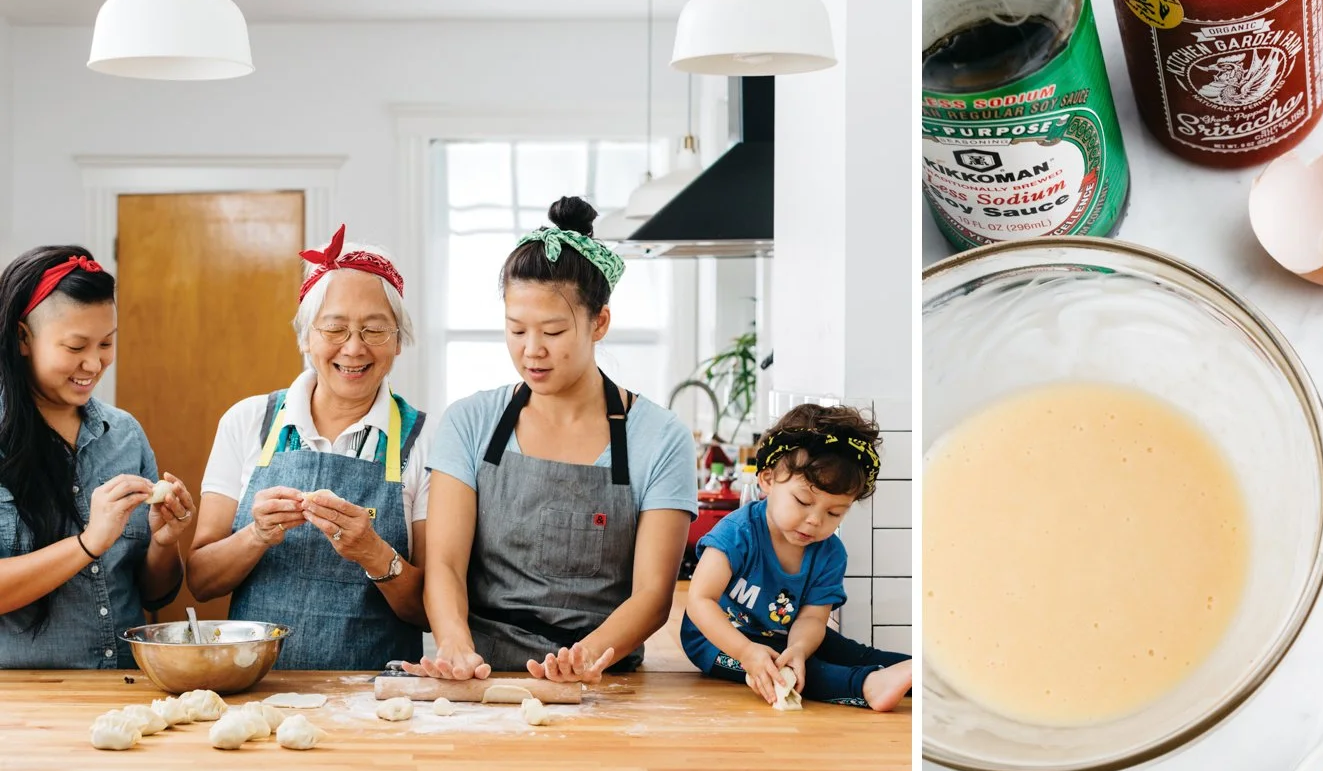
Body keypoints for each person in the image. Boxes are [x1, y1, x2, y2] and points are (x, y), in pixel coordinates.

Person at [416, 196, 697, 681]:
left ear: (599, 323)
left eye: (553, 331)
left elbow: (653, 596)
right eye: (516, 329)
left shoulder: (661, 436)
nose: (532, 351)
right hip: (483, 676)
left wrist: (580, 661)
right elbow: (443, 564)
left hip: (600, 679)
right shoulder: (469, 421)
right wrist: (454, 643)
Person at [187, 226, 430, 670]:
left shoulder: (424, 441)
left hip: (378, 702)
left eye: (375, 330)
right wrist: (256, 536)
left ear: (398, 340)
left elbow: (431, 609)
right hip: (258, 694)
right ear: (306, 337)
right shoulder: (249, 422)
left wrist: (372, 551)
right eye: (334, 328)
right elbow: (202, 581)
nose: (354, 349)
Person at [0, 246, 197, 667]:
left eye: (107, 342)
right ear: (22, 338)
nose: (94, 362)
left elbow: (154, 593)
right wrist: (89, 543)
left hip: (121, 687)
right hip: (22, 704)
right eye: (75, 347)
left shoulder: (124, 434)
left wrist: (164, 543)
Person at [681, 403, 913, 711]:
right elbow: (700, 600)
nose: (815, 521)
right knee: (796, 672)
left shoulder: (829, 552)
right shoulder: (738, 533)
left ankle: (918, 673)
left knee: (850, 653)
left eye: (834, 513)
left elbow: (812, 618)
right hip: (719, 640)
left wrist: (801, 648)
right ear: (767, 480)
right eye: (803, 501)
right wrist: (747, 652)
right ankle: (867, 687)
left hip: (785, 632)